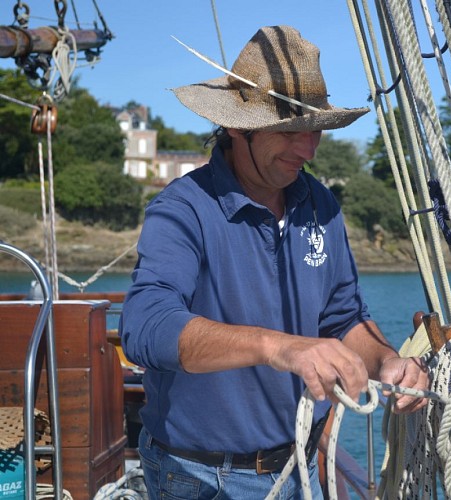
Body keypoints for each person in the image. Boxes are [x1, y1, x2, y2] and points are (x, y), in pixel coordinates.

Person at [119, 25, 429, 499]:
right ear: (236, 128)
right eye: (288, 131)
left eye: (314, 132)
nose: (306, 150)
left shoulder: (321, 204)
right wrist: (280, 347)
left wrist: (388, 361)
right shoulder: (181, 210)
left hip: (301, 470)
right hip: (200, 478)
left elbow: (344, 318)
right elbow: (145, 328)